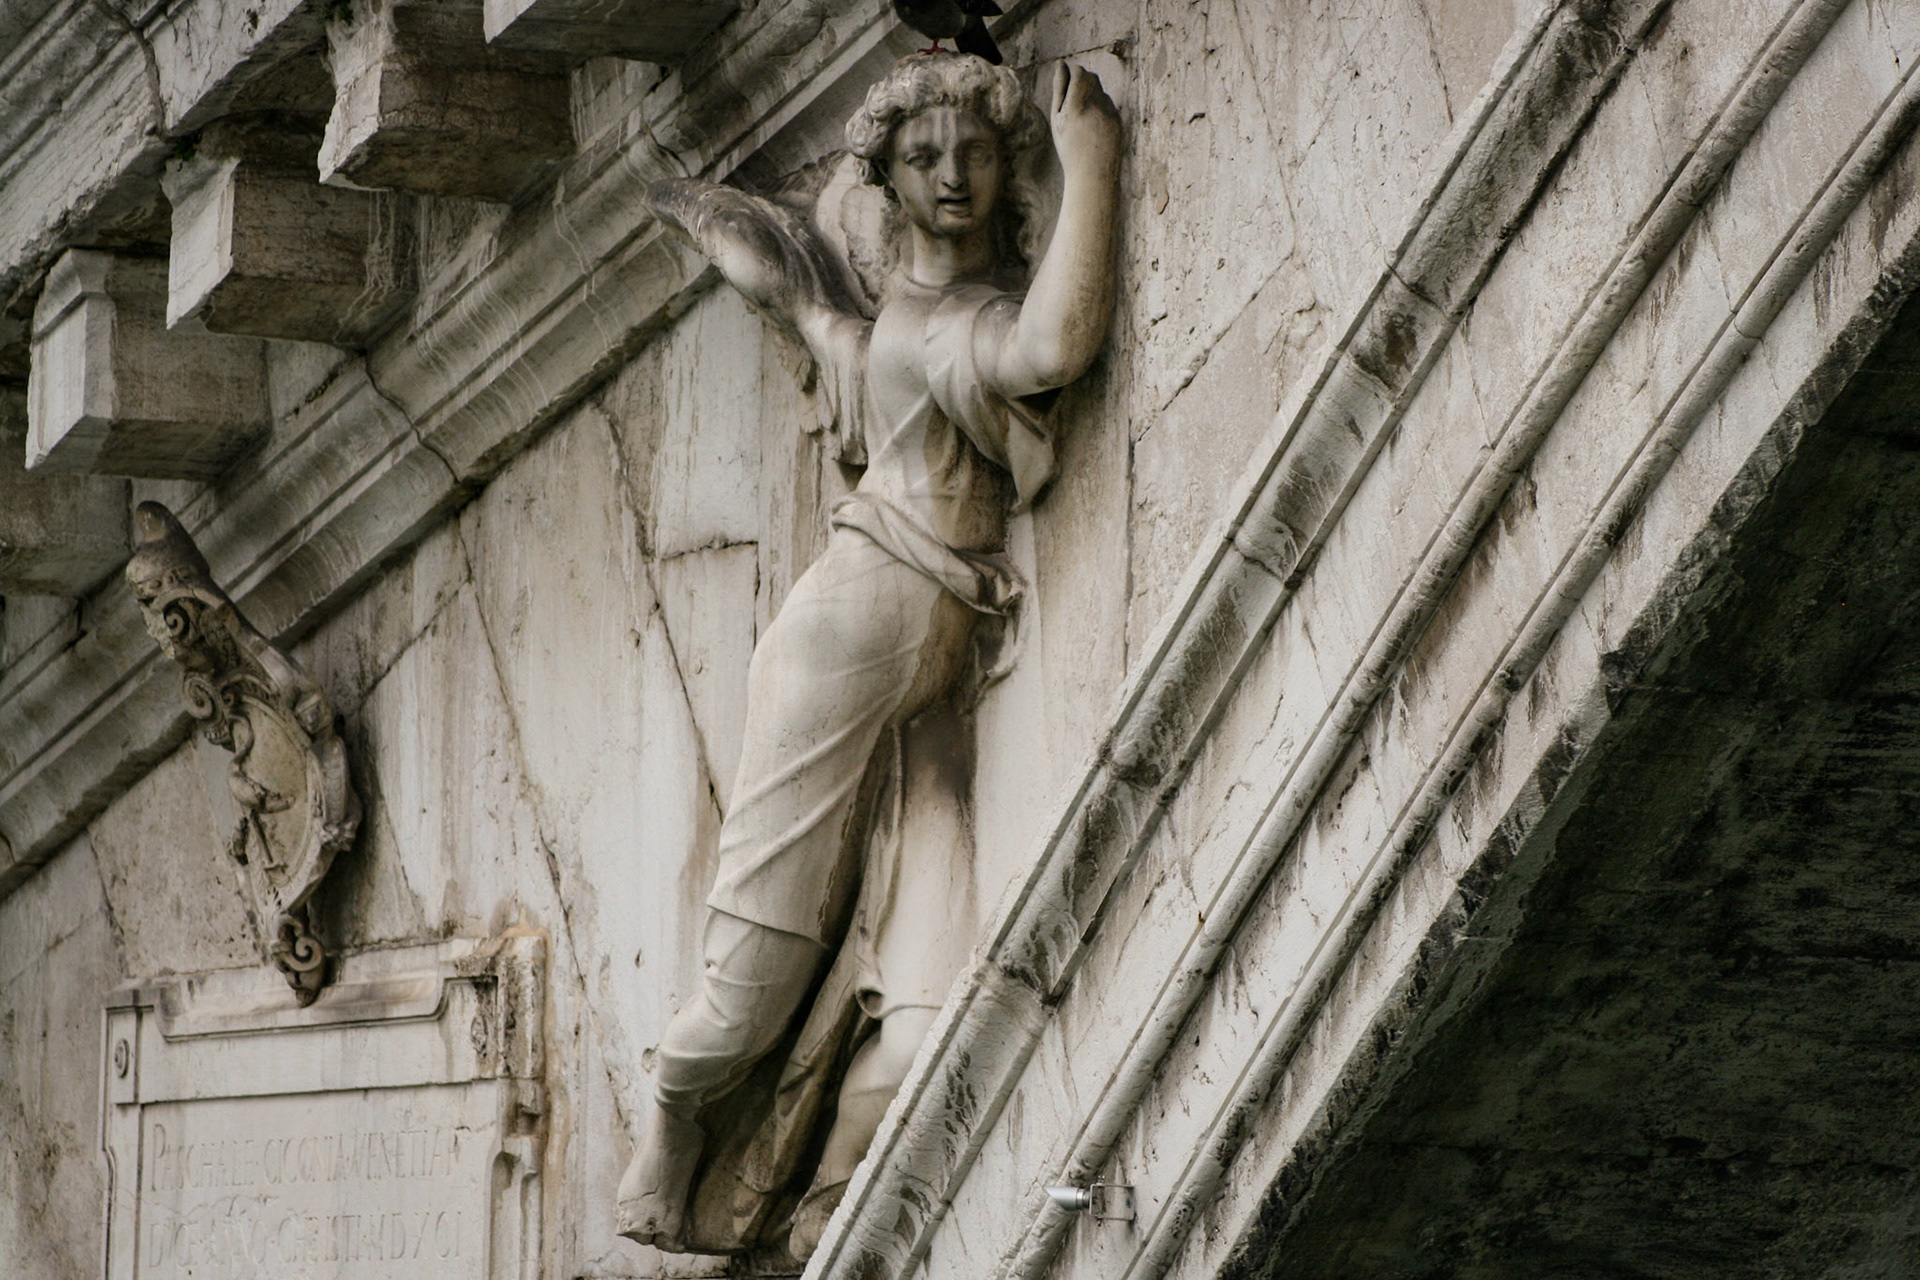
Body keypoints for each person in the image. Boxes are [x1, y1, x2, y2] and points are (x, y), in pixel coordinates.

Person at [617, 50, 1121, 1256]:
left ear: (1009, 172)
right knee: (747, 990)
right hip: (841, 657)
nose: (954, 175)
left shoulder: (911, 325)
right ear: (888, 181)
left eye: (980, 151)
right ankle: (675, 1118)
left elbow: (806, 309)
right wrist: (1094, 159)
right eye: (922, 156)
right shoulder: (949, 331)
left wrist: (727, 232)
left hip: (931, 696)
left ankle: (823, 1211)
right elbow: (1050, 347)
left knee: (932, 1005)